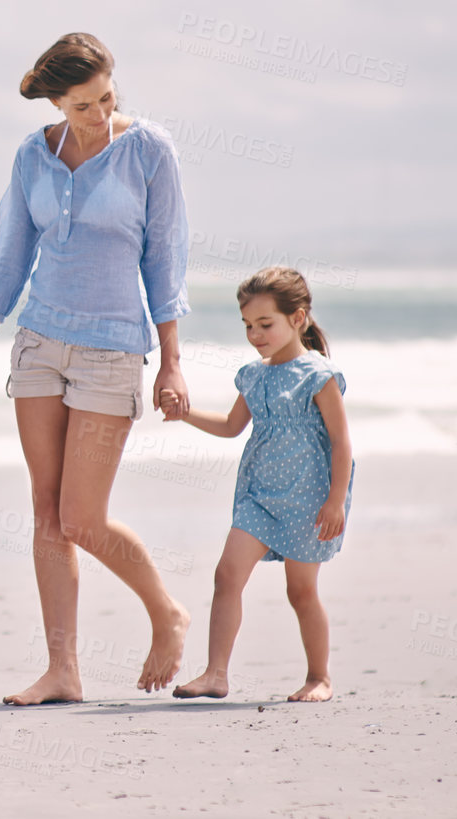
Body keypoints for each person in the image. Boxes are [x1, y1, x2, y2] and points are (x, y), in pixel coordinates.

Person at [0, 32, 193, 703]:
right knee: (46, 515)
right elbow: (6, 262)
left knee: (82, 516)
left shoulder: (148, 151)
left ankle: (165, 611)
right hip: (38, 344)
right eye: (83, 106)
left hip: (112, 348)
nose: (99, 114)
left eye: (106, 98)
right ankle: (62, 669)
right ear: (55, 102)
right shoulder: (33, 156)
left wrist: (171, 362)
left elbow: (164, 261)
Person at [165, 267, 354, 703]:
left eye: (265, 324)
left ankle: (319, 677)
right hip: (257, 496)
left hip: (309, 499)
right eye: (248, 326)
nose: (255, 334)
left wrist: (335, 502)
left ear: (298, 319)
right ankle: (215, 674)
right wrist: (184, 413)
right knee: (226, 575)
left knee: (300, 591)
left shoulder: (319, 376)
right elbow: (233, 426)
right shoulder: (254, 375)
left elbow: (342, 443)